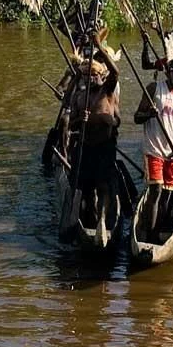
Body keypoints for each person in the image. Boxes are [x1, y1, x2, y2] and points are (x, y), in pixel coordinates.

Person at [134, 58, 173, 240]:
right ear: (169, 73)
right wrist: (149, 114)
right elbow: (137, 117)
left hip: (172, 152)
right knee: (156, 191)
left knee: (168, 194)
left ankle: (161, 228)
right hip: (154, 148)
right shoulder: (155, 88)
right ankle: (151, 235)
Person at [60, 39, 121, 225]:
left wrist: (98, 45)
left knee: (102, 186)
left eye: (95, 75)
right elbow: (71, 126)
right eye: (88, 76)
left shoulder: (107, 91)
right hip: (86, 145)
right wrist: (81, 120)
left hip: (105, 145)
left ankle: (102, 220)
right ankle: (89, 219)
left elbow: (116, 72)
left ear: (101, 76)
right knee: (86, 188)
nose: (91, 79)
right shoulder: (79, 97)